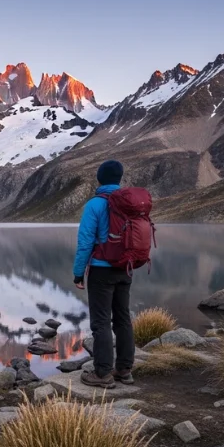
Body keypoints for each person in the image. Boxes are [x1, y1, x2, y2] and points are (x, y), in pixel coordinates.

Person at [73, 160, 134, 388]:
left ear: (99, 179)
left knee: (101, 323)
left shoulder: (95, 205)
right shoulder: (130, 203)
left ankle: (103, 374)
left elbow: (85, 242)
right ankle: (125, 370)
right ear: (119, 178)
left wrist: (79, 274)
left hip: (101, 270)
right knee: (123, 318)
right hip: (125, 268)